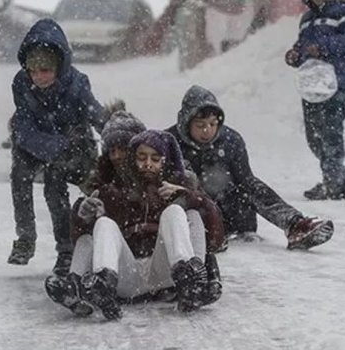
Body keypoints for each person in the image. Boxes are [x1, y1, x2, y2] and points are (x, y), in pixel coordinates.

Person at [46, 130, 225, 320]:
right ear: (132, 159)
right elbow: (82, 238)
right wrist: (82, 214)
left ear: (165, 161)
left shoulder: (176, 186)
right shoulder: (113, 191)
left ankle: (189, 276)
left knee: (176, 212)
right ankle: (104, 282)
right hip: (128, 273)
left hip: (164, 271)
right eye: (142, 158)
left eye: (155, 159)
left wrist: (187, 195)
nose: (148, 164)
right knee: (104, 223)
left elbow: (216, 237)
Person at [7, 18, 119, 275]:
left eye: (45, 70)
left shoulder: (77, 84)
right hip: (37, 144)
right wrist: (52, 145)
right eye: (33, 71)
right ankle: (25, 237)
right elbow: (23, 128)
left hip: (74, 145)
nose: (39, 77)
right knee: (19, 175)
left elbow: (95, 114)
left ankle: (66, 248)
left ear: (58, 66)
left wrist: (118, 136)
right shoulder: (22, 85)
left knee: (55, 185)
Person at [167, 85, 334, 250]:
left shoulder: (230, 141)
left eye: (212, 124)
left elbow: (247, 182)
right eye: (200, 125)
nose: (207, 130)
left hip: (231, 216)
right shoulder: (168, 142)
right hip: (190, 216)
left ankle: (294, 224)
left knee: (248, 185)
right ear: (186, 122)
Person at [285, 0, 345, 200]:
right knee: (314, 136)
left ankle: (333, 183)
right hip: (312, 85)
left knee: (331, 134)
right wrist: (295, 55)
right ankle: (340, 180)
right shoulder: (307, 19)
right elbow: (303, 46)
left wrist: (324, 49)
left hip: (335, 82)